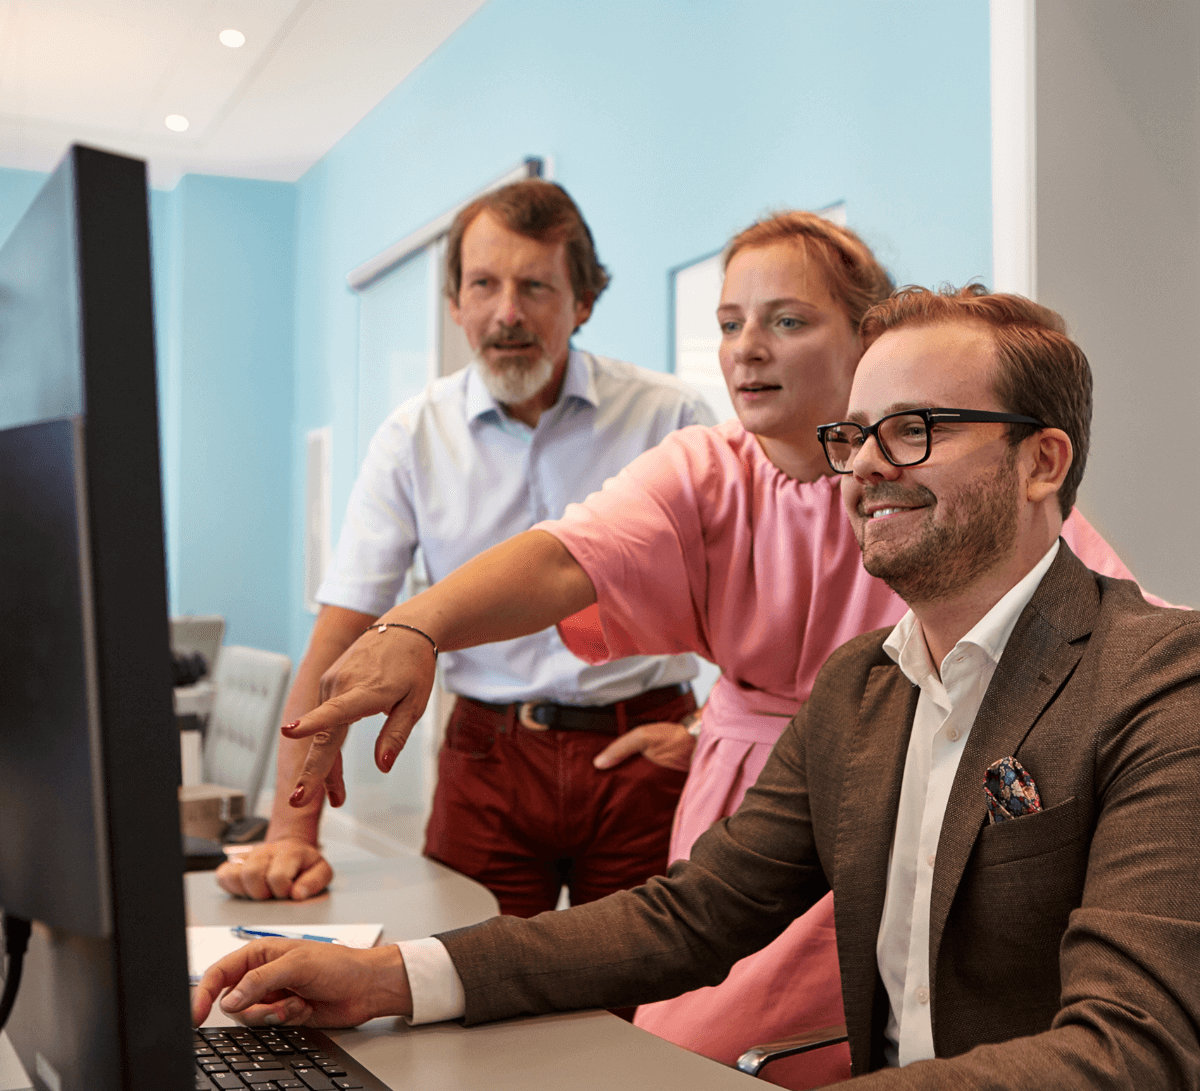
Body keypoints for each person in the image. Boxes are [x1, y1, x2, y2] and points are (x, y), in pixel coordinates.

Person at [226, 213, 1159, 1090]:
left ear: (1043, 461)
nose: (869, 463)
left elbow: (1123, 1047)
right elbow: (685, 917)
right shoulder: (862, 685)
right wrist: (385, 977)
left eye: (914, 430)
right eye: (856, 436)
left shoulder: (1152, 684)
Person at [216, 179, 714, 918]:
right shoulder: (413, 436)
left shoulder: (670, 416)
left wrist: (703, 730)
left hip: (642, 747)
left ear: (581, 302)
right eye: (484, 284)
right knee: (467, 993)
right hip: (487, 759)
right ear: (456, 303)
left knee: (648, 1005)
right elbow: (342, 626)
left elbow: (756, 596)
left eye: (536, 286)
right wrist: (291, 831)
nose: (507, 312)